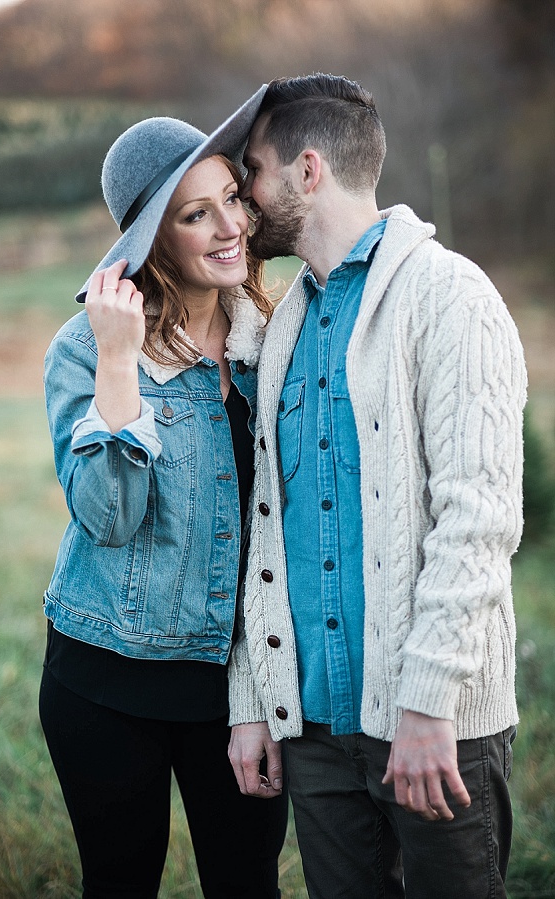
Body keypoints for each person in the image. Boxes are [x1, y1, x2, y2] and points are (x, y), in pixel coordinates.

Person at [227, 74, 527, 899]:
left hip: (435, 727)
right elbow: (267, 528)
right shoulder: (283, 323)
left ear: (308, 170)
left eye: (252, 171)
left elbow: (479, 519)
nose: (242, 198)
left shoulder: (452, 297)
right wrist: (255, 697)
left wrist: (429, 705)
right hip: (319, 731)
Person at [38, 86, 289, 899]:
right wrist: (120, 364)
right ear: (153, 242)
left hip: (242, 688)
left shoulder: (272, 343)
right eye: (195, 214)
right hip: (105, 678)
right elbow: (108, 515)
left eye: (231, 199)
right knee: (119, 883)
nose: (230, 228)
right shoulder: (84, 350)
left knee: (246, 883)